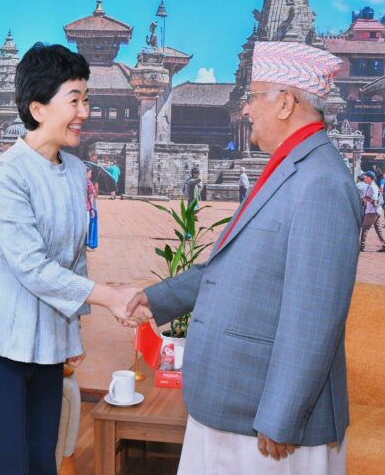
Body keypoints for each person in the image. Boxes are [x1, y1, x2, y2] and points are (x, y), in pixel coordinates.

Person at [126, 41, 358, 474]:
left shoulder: (320, 181)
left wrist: (283, 414)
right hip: (234, 400)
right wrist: (158, 298)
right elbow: (231, 265)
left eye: (253, 96)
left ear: (285, 103)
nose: (246, 108)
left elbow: (315, 315)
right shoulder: (287, 167)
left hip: (267, 420)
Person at [0, 43, 150, 475]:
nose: (85, 112)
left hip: (47, 346)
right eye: (75, 100)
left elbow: (73, 259)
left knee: (41, 463)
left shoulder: (77, 172)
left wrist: (71, 336)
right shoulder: (7, 174)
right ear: (38, 108)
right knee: (5, 467)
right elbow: (33, 268)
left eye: (87, 100)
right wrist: (111, 297)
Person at [360, 171, 385, 253]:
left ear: (369, 178)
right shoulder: (372, 186)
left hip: (372, 211)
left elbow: (374, 199)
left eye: (365, 177)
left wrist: (365, 198)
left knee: (365, 228)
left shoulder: (372, 187)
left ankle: (362, 246)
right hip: (376, 211)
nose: (364, 178)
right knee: (378, 230)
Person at [86, 166, 99, 250]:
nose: (90, 174)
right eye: (90, 173)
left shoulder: (78, 181)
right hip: (89, 207)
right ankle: (89, 244)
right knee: (89, 225)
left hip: (81, 207)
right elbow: (94, 196)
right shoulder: (89, 183)